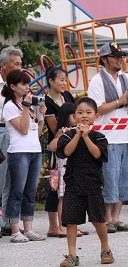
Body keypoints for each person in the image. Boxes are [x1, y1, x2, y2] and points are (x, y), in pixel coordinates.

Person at [88, 42, 128, 233]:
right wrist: (120, 102)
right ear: (104, 59)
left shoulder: (127, 78)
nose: (120, 59)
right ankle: (106, 218)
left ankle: (116, 218)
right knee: (109, 179)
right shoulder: (97, 80)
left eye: (121, 56)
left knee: (125, 178)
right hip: (107, 137)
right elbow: (96, 109)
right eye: (115, 56)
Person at [57, 97, 113, 266]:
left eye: (88, 112)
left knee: (98, 219)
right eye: (80, 113)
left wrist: (87, 137)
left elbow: (98, 155)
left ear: (96, 116)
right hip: (73, 183)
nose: (84, 116)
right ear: (74, 116)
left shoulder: (99, 137)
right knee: (71, 220)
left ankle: (105, 249)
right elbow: (66, 152)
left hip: (93, 184)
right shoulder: (67, 135)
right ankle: (72, 254)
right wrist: (78, 135)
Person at [1, 70, 46, 242]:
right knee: (17, 191)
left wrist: (40, 115)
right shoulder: (10, 106)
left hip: (34, 151)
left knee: (30, 192)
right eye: (24, 84)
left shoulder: (25, 106)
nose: (28, 87)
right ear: (13, 86)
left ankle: (28, 229)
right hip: (19, 152)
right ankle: (14, 230)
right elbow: (23, 129)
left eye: (28, 83)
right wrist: (27, 108)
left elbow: (37, 132)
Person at [44, 66, 77, 238]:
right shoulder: (47, 101)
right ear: (51, 81)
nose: (64, 83)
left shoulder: (67, 96)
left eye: (65, 79)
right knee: (55, 187)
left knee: (69, 188)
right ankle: (53, 226)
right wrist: (66, 128)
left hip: (71, 143)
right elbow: (54, 128)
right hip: (57, 146)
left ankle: (69, 225)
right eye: (61, 79)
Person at [0, 46, 23, 237]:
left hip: (15, 134)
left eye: (21, 64)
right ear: (4, 64)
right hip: (0, 131)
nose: (20, 68)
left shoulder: (18, 86)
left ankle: (7, 222)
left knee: (11, 179)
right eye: (16, 64)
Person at [48, 103, 78, 239]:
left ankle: (71, 226)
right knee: (63, 198)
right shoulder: (63, 131)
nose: (77, 117)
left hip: (75, 168)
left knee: (73, 199)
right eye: (74, 115)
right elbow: (52, 146)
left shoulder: (77, 130)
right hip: (64, 168)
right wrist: (60, 135)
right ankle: (61, 227)